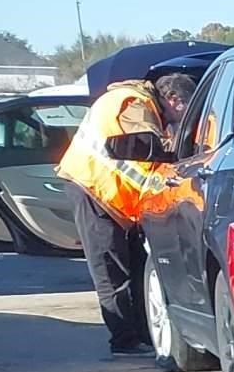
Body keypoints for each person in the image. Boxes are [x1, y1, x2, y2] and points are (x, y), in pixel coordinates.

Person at [56, 74, 187, 353]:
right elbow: (145, 152)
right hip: (93, 188)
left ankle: (140, 334)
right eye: (184, 110)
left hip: (102, 190)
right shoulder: (135, 104)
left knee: (129, 266)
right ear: (174, 100)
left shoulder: (133, 101)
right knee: (111, 270)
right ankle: (124, 341)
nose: (182, 119)